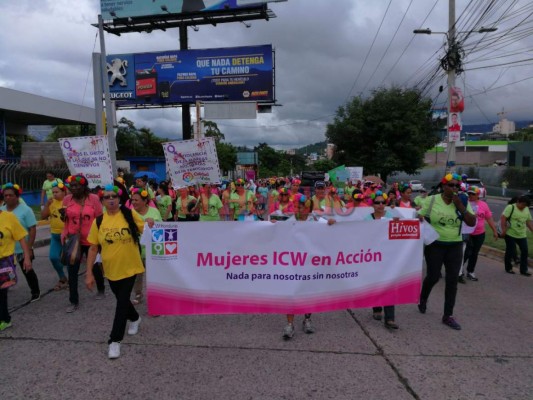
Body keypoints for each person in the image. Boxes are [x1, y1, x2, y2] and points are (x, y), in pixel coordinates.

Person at [85, 184, 146, 359]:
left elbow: (147, 229)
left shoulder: (129, 214)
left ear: (119, 199)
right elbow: (93, 248)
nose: (111, 199)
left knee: (120, 304)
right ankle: (135, 318)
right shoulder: (99, 221)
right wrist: (89, 273)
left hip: (130, 267)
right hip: (110, 270)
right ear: (102, 200)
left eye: (114, 196)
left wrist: (149, 222)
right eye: (107, 197)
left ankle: (115, 340)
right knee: (122, 300)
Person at [417, 173, 476, 330]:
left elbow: (472, 222)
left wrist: (460, 206)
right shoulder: (432, 200)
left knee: (452, 280)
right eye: (451, 185)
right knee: (433, 276)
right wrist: (419, 217)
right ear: (443, 186)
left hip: (455, 245)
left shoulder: (462, 200)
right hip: (435, 244)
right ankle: (423, 298)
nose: (455, 188)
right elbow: (418, 216)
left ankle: (448, 315)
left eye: (457, 186)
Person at [282, 196, 335, 339]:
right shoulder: (289, 222)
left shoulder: (316, 221)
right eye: (297, 207)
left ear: (308, 209)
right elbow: (276, 233)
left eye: (302, 207)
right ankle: (289, 324)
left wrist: (331, 223)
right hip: (292, 264)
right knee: (291, 293)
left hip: (310, 264)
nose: (298, 210)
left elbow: (331, 225)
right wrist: (273, 225)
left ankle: (307, 319)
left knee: (309, 292)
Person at [62, 174, 105, 312]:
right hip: (74, 240)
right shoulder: (67, 199)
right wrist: (64, 233)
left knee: (94, 266)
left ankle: (101, 288)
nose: (73, 188)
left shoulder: (94, 199)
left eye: (76, 186)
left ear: (84, 186)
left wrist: (99, 239)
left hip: (91, 240)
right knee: (72, 270)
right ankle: (73, 301)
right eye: (71, 186)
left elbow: (99, 219)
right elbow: (65, 219)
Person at [364, 191, 399, 329]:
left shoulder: (391, 217)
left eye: (382, 202)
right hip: (373, 257)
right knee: (376, 283)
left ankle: (390, 318)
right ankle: (377, 308)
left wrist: (398, 224)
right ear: (372, 205)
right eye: (377, 202)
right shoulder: (367, 219)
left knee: (389, 284)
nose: (380, 205)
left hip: (388, 256)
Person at [0, 183, 40, 302]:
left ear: (17, 196)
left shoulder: (26, 210)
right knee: (5, 272)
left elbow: (32, 228)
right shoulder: (1, 211)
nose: (8, 198)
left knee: (27, 270)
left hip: (22, 248)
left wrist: (29, 247)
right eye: (5, 195)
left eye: (11, 195)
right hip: (7, 251)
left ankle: (35, 291)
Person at [0, 201, 33, 331]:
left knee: (1, 292)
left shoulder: (9, 217)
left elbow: (20, 237)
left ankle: (5, 319)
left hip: (4, 261)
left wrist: (26, 257)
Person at [130, 187, 162, 305]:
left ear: (145, 201)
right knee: (137, 275)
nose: (133, 202)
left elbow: (161, 231)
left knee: (153, 275)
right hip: (135, 250)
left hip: (151, 250)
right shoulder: (129, 213)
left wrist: (153, 225)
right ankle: (138, 294)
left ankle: (155, 297)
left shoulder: (154, 212)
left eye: (136, 200)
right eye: (132, 200)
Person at [461, 186, 498, 281]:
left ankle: (470, 271)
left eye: (472, 194)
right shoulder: (465, 203)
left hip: (480, 233)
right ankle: (458, 271)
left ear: (478, 195)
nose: (470, 195)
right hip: (467, 233)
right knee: (466, 253)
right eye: (469, 193)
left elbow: (489, 218)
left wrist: (494, 230)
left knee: (474, 253)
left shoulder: (483, 205)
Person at [40, 181, 69, 290]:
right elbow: (43, 217)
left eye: (57, 192)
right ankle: (62, 277)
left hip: (67, 236)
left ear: (63, 192)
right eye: (53, 192)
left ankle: (71, 280)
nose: (54, 194)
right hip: (55, 236)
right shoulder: (51, 203)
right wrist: (46, 205)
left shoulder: (68, 202)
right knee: (53, 257)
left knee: (69, 260)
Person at [500, 195, 533, 276]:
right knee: (510, 251)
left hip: (522, 234)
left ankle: (523, 270)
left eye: (525, 206)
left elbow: (528, 221)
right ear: (518, 202)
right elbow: (503, 218)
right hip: (510, 233)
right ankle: (508, 268)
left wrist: (532, 230)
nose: (523, 207)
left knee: (525, 251)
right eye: (522, 205)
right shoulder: (510, 207)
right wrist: (504, 230)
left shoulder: (526, 209)